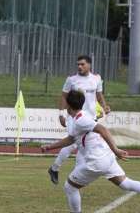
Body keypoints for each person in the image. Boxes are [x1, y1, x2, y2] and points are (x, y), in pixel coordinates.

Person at [41, 90, 140, 213]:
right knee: (125, 183)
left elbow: (102, 129)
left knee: (70, 187)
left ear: (68, 105)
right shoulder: (82, 116)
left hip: (95, 160)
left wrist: (115, 149)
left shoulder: (81, 120)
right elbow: (71, 139)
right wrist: (50, 147)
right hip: (106, 157)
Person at [48, 55, 110, 185]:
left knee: (83, 145)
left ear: (89, 65)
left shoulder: (96, 78)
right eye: (78, 64)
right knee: (74, 143)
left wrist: (104, 106)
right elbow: (64, 96)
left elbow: (99, 95)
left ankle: (61, 171)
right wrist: (61, 113)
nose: (79, 67)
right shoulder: (71, 80)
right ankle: (58, 170)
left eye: (82, 64)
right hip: (74, 116)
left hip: (90, 118)